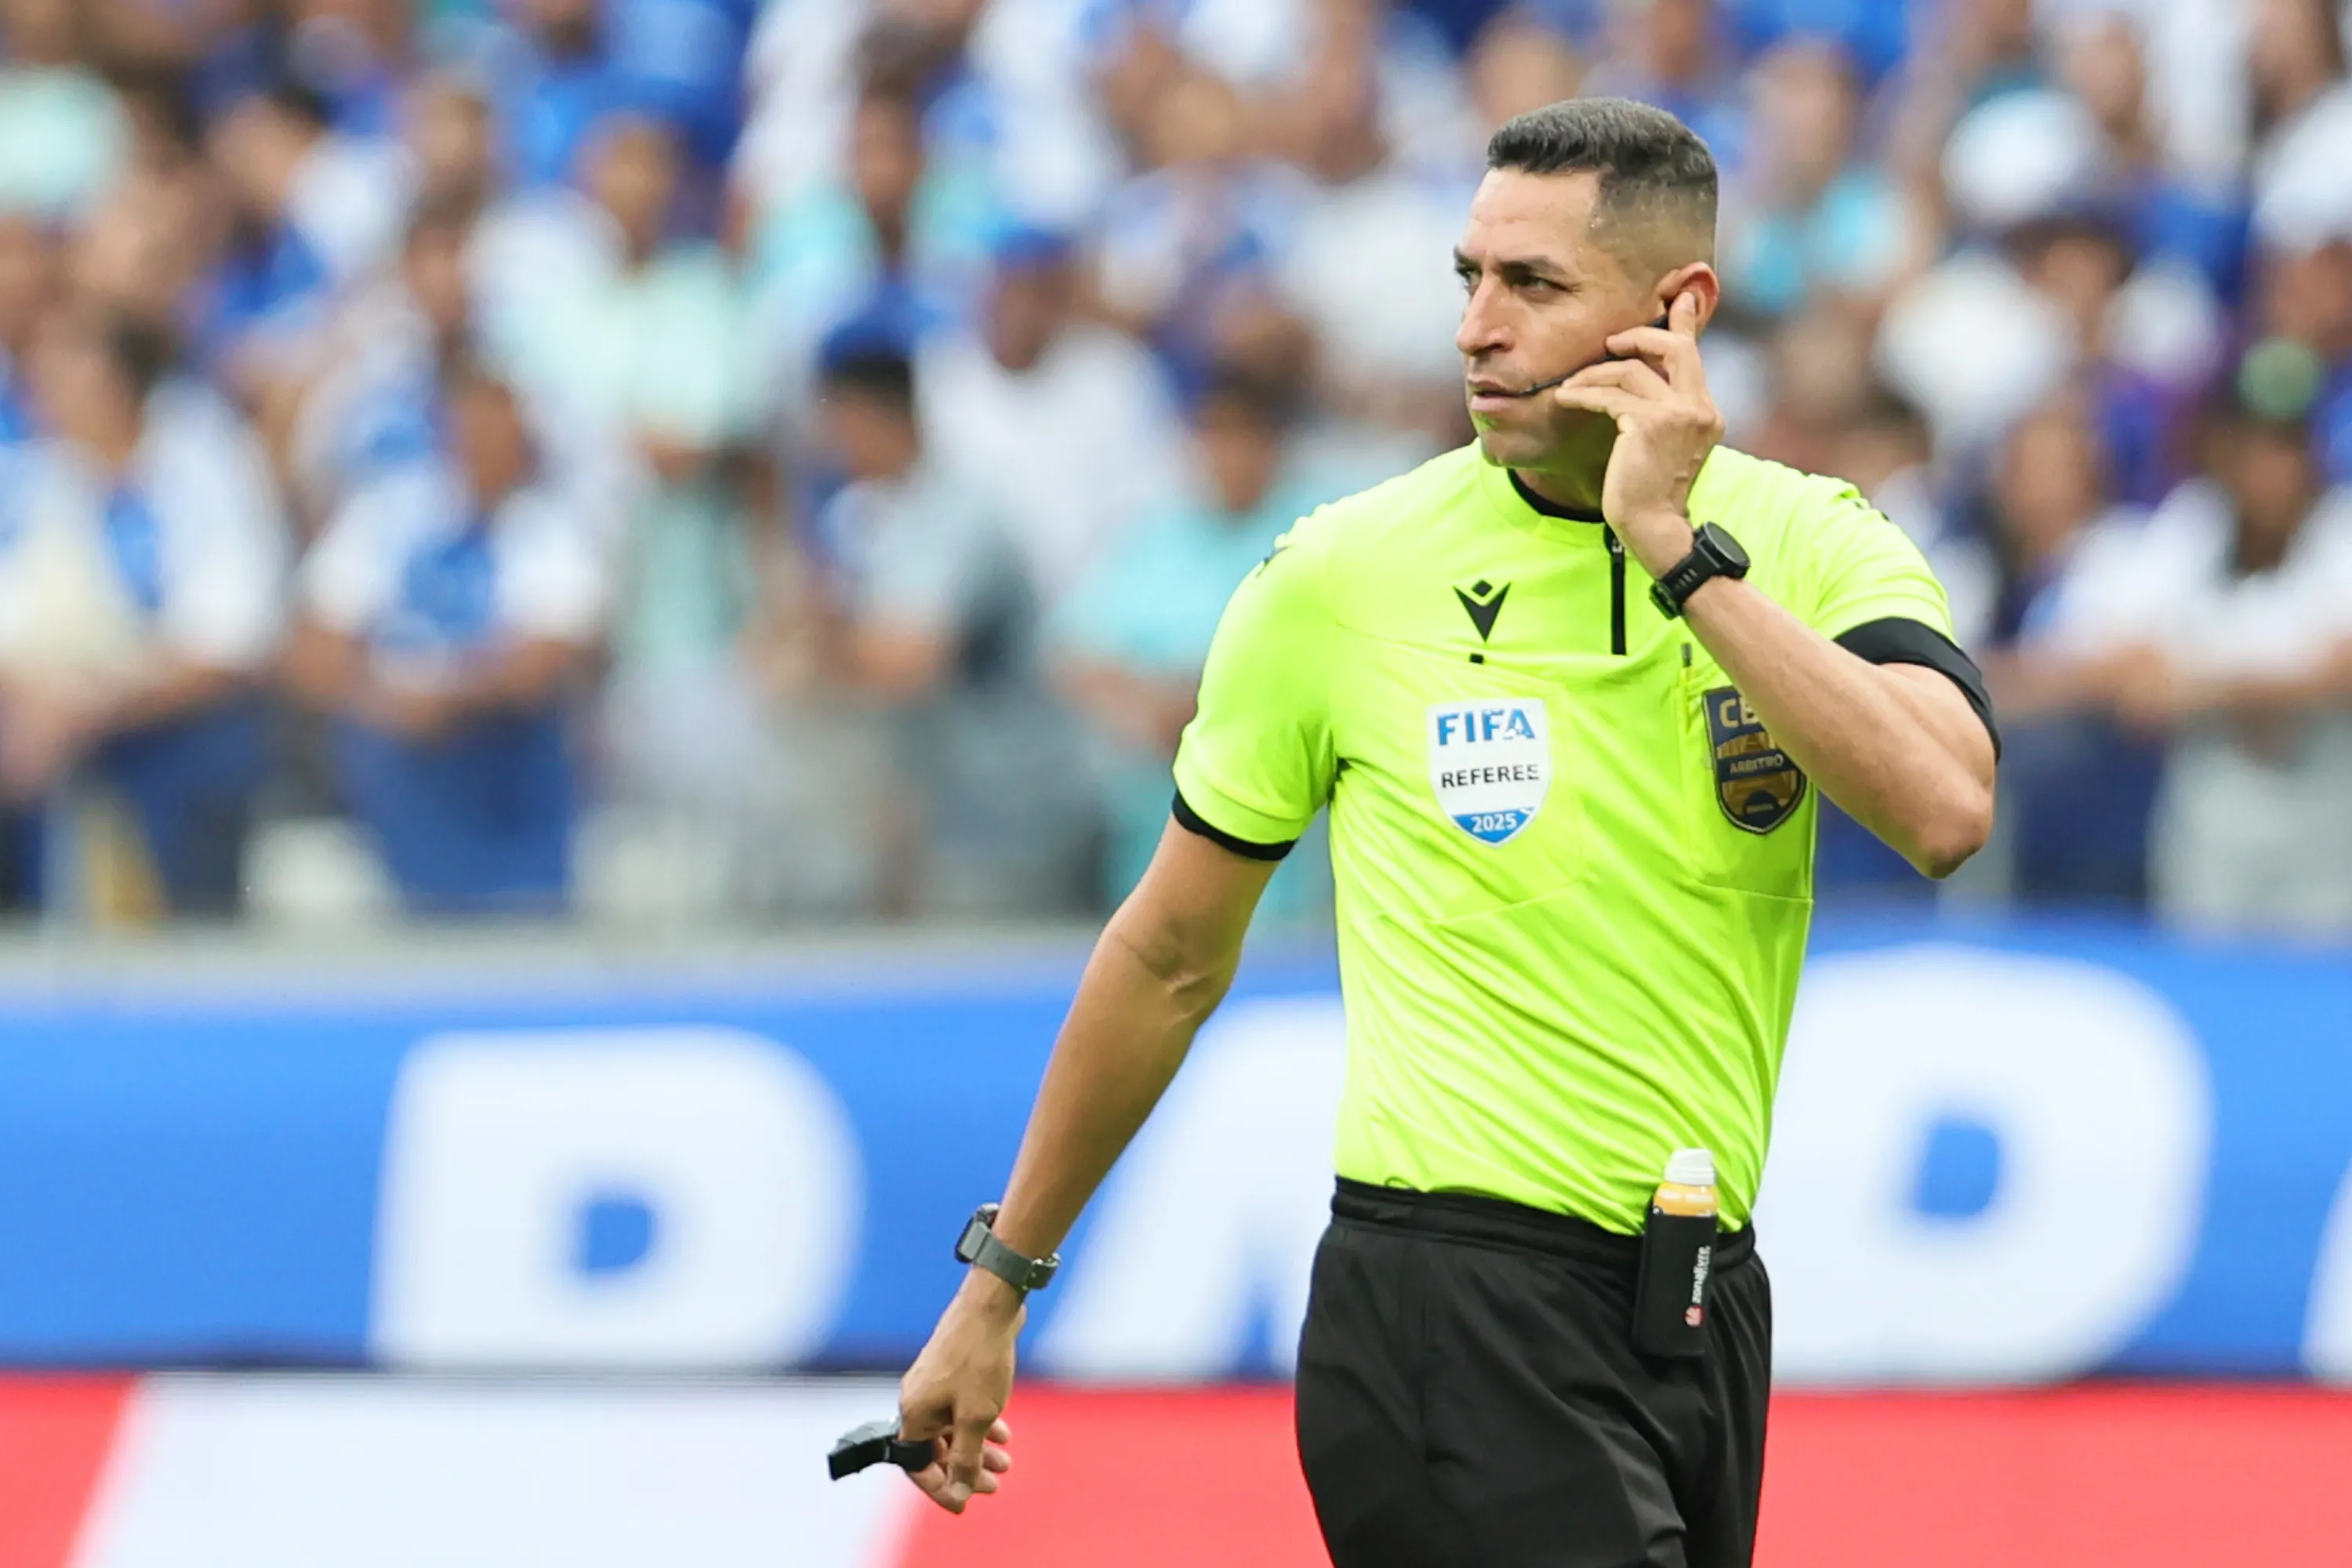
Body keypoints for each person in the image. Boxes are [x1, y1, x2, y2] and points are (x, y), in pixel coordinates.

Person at [892, 99, 1997, 1567]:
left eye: (1531, 286)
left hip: (1701, 1306)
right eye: (1468, 278)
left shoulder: (1805, 541)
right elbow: (1166, 952)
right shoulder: (1339, 578)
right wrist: (999, 1285)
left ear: (1678, 311)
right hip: (1446, 1303)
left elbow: (1944, 810)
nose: (1477, 327)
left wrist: (1677, 554)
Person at [285, 362, 604, 915]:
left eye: (501, 435)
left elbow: (546, 661)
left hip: (500, 737)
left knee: (532, 736)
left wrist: (447, 697)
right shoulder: (386, 513)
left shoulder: (550, 527)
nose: (485, 449)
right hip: (393, 734)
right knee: (374, 749)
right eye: (473, 431)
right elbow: (313, 649)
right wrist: (386, 700)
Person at [0, 310, 285, 916]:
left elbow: (231, 637)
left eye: (65, 368)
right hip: (54, 720)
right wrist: (39, 703)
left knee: (208, 752)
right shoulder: (34, 479)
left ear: (118, 382)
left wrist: (100, 708)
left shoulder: (205, 465)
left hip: (174, 718)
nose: (41, 385)